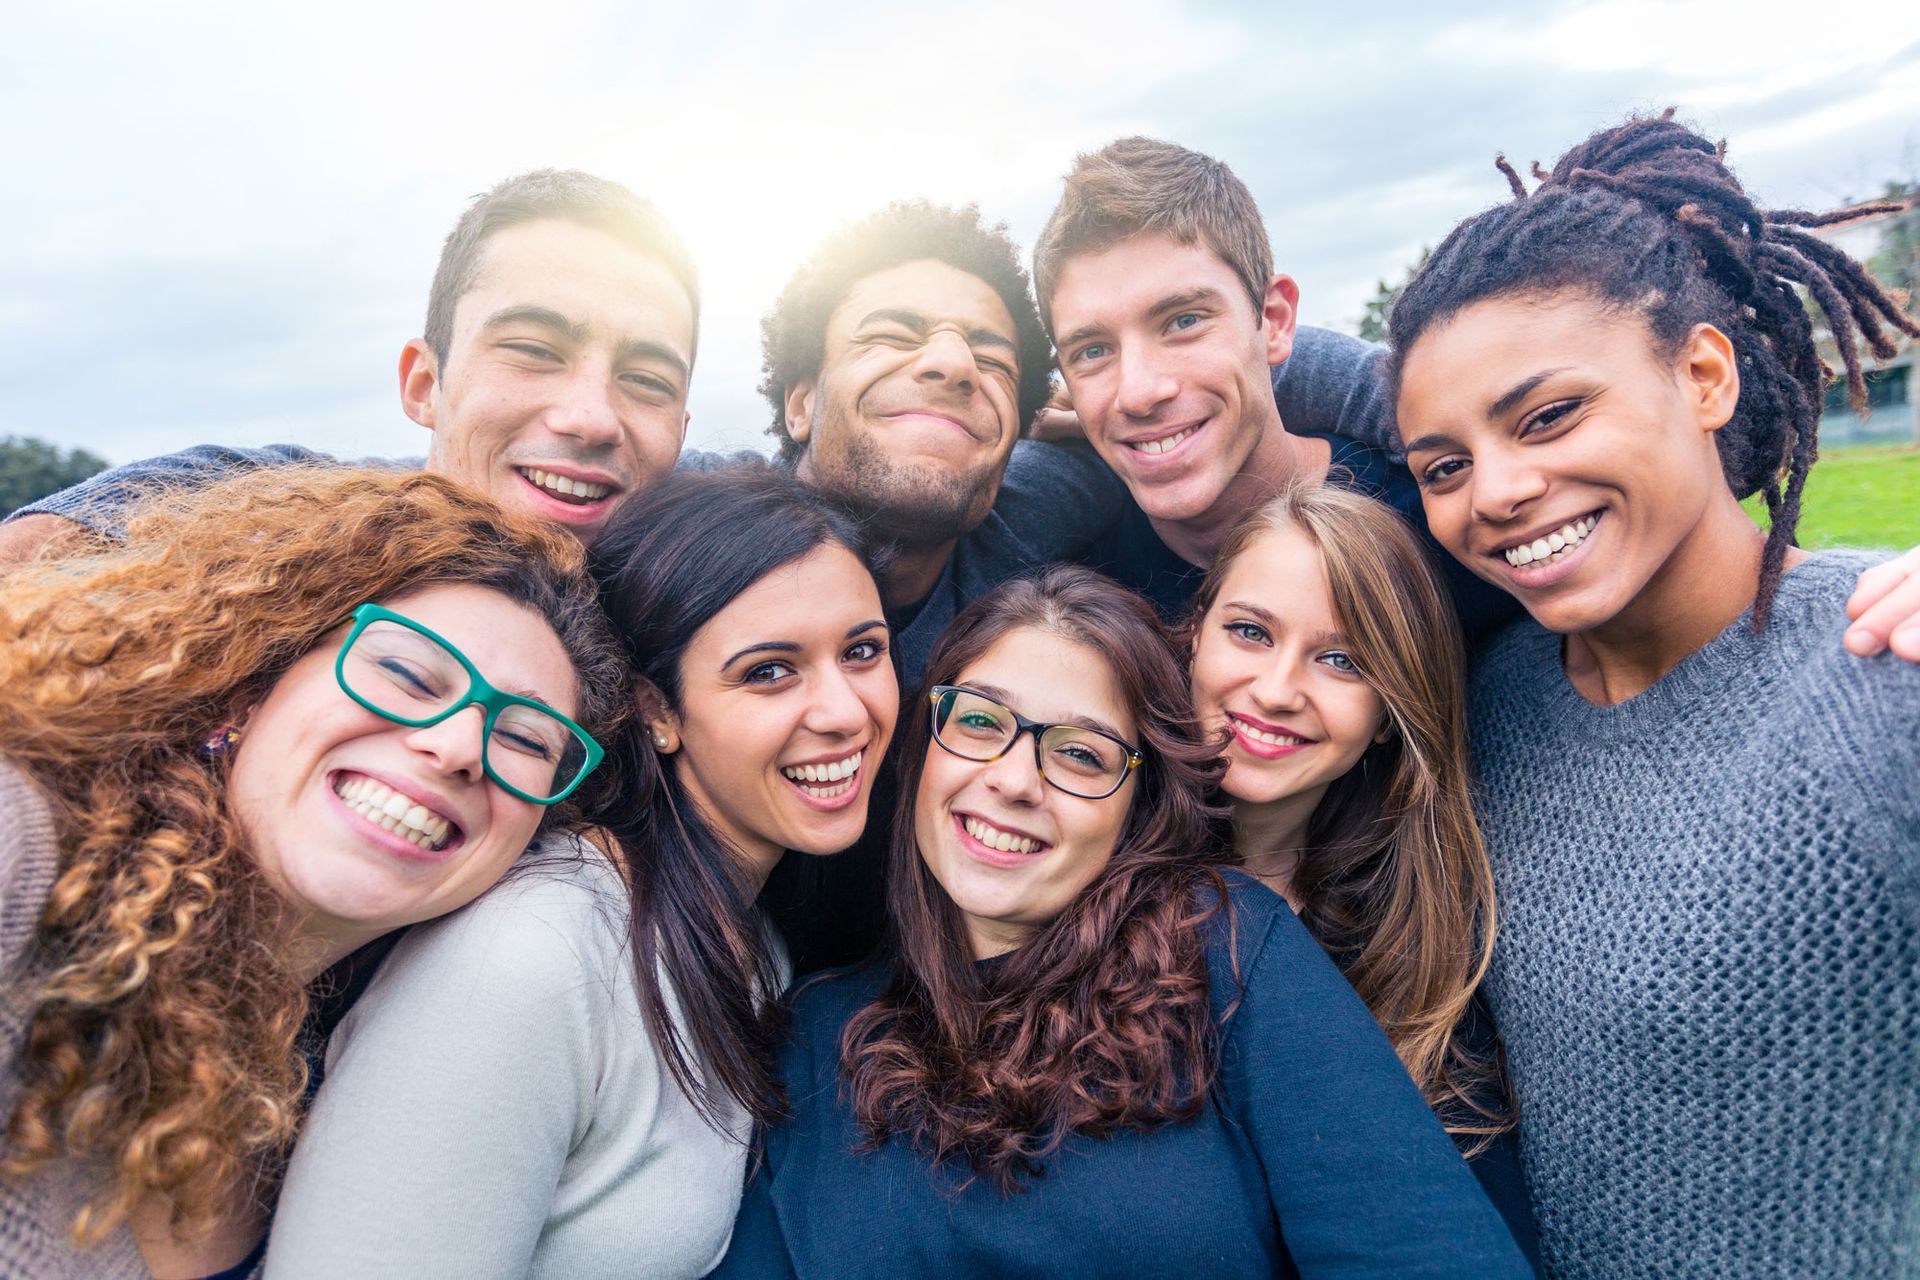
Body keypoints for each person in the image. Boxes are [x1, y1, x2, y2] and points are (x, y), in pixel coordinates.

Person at [1386, 112, 1920, 1276]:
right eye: (1443, 465)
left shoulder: (1887, 672)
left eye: (1550, 414)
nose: (1499, 490)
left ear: (1705, 373)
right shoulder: (1499, 704)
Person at [718, 567, 1531, 1278]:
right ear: (920, 748)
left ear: (1136, 811)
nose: (1014, 780)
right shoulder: (812, 1034)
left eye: (1080, 754)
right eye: (978, 721)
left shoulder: (1232, 955)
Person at [261, 466, 900, 1278]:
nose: (845, 710)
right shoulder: (532, 956)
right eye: (769, 671)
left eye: (863, 651)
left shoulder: (751, 943)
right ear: (656, 711)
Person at [0, 468, 627, 1279]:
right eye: (406, 674)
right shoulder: (23, 847)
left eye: (526, 741)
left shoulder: (345, 1074)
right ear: (249, 688)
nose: (459, 747)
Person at [1031, 135, 1920, 656]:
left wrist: (1858, 600)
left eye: (1184, 320)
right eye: (1093, 349)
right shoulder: (1055, 556)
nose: (1141, 389)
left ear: (1274, 322)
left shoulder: (1450, 521)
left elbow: (1696, 605)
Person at [1186, 480, 1536, 1268]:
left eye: (1341, 660)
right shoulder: (1076, 862)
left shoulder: (1414, 952)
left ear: (1390, 710)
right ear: (1193, 637)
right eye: (1248, 632)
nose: (1276, 691)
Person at [2, 168, 700, 556]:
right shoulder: (268, 529)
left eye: (647, 381)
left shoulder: (721, 584)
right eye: (534, 351)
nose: (590, 417)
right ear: (424, 385)